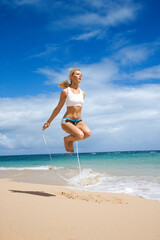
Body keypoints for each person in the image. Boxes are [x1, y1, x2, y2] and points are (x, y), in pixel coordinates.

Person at [42, 68, 91, 153]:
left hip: (78, 121)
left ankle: (70, 140)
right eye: (77, 74)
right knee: (79, 135)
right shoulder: (65, 91)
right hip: (67, 121)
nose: (80, 76)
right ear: (71, 77)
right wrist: (48, 122)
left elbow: (79, 109)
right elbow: (58, 108)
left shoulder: (83, 93)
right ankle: (66, 139)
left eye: (81, 75)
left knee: (87, 133)